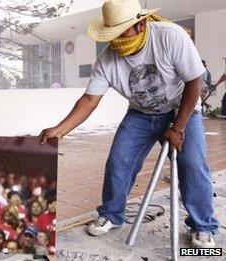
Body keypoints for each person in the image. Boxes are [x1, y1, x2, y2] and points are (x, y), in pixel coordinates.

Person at [40, 0, 219, 248]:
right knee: (119, 161)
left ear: (141, 24)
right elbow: (89, 100)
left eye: (121, 31)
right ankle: (111, 215)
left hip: (182, 109)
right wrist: (59, 130)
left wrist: (178, 127)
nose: (116, 40)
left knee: (192, 163)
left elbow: (194, 83)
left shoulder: (170, 36)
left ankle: (203, 226)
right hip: (141, 113)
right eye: (111, 34)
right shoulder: (106, 60)